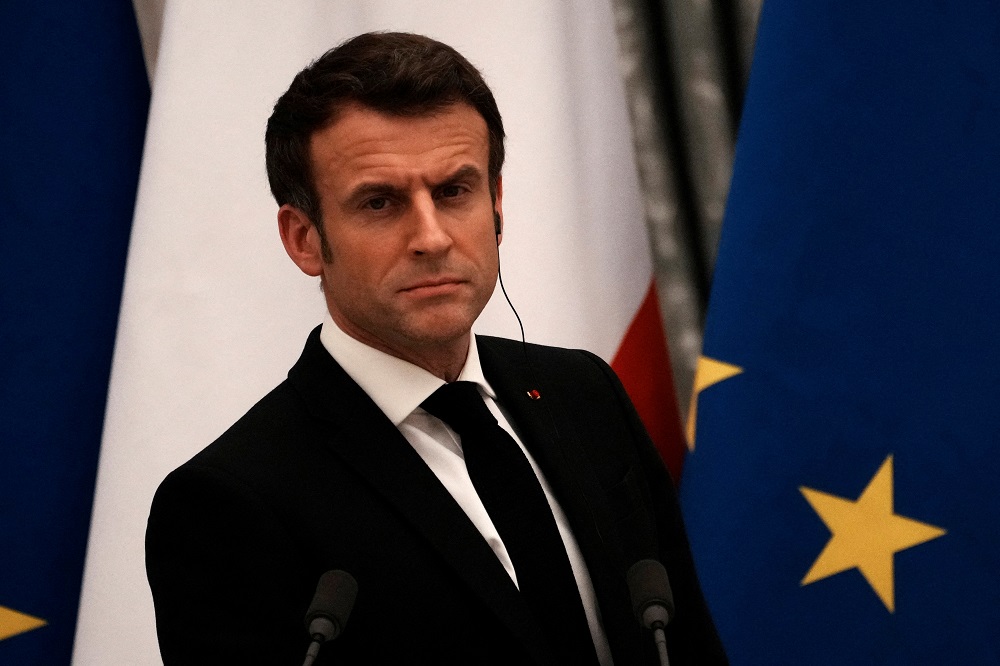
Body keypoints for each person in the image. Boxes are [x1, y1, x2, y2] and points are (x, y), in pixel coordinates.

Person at [145, 31, 727, 665]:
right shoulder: (228, 504)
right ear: (304, 238)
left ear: (496, 204)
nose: (431, 236)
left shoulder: (583, 394)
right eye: (380, 202)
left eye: (454, 191)